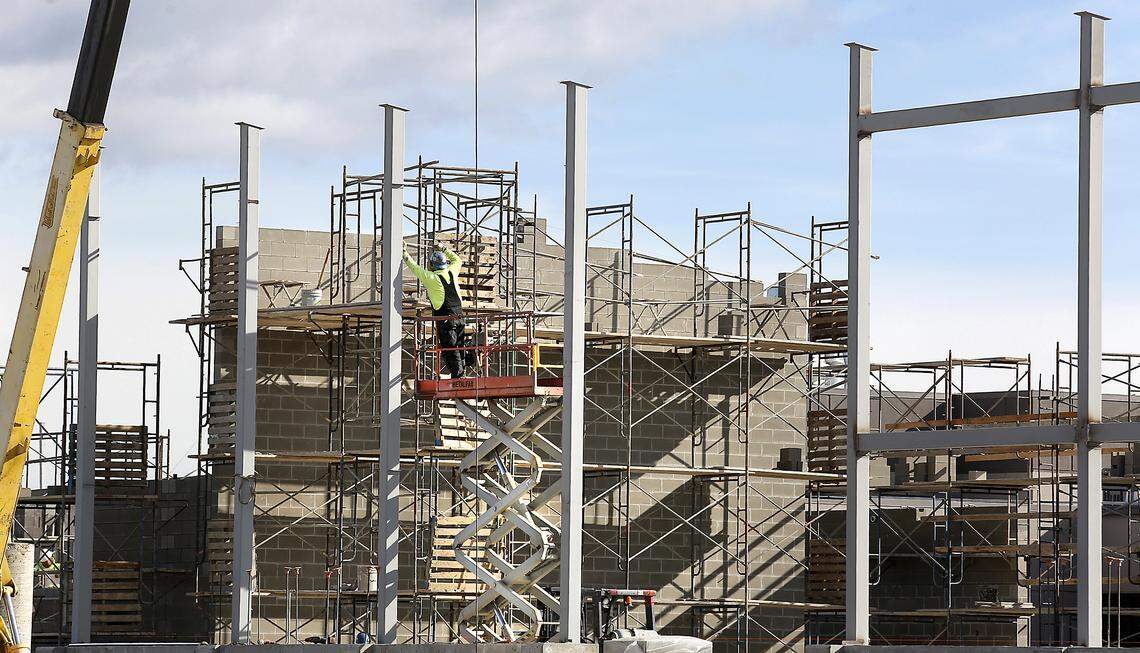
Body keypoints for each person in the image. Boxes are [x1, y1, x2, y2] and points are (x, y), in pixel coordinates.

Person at [403, 244, 476, 377]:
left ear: (432, 265)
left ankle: (458, 375)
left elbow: (415, 268)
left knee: (450, 348)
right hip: (460, 316)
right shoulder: (452, 272)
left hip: (446, 319)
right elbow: (457, 260)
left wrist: (404, 253)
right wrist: (443, 248)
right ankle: (466, 361)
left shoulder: (432, 278)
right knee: (459, 344)